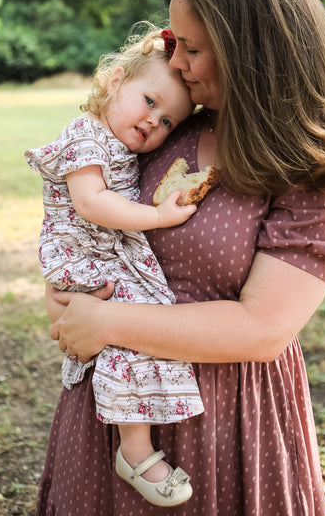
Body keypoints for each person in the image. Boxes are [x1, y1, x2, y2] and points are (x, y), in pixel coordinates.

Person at [36, 0, 325, 516]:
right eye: (175, 44)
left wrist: (105, 320)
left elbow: (263, 328)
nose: (174, 62)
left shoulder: (313, 170)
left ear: (249, 54)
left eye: (194, 49)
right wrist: (67, 292)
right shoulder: (165, 128)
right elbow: (93, 221)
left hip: (224, 417)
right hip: (116, 403)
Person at [25, 28, 207, 507]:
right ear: (114, 80)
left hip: (105, 254)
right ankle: (135, 449)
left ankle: (141, 428)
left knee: (137, 328)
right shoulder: (85, 135)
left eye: (168, 120)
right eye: (148, 101)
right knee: (128, 330)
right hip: (85, 257)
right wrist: (159, 217)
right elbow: (91, 204)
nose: (153, 122)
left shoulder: (119, 142)